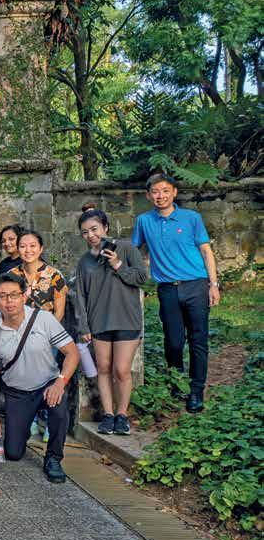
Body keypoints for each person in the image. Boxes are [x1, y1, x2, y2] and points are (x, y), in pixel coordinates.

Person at [132, 173, 220, 413]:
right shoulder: (144, 221)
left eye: (165, 190)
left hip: (196, 285)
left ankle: (196, 391)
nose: (160, 196)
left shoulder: (191, 218)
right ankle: (177, 382)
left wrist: (213, 284)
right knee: (173, 342)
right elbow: (134, 251)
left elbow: (206, 251)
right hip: (167, 289)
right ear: (148, 196)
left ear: (174, 193)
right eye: (155, 192)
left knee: (198, 340)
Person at [0, 275, 80, 483]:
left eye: (14, 295)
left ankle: (53, 458)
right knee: (13, 453)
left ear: (24, 296)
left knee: (59, 405)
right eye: (3, 296)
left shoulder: (43, 319)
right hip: (17, 393)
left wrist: (60, 381)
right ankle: (22, 427)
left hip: (47, 386)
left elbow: (72, 352)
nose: (9, 301)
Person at [76, 209, 147, 434]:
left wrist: (117, 264)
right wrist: (83, 325)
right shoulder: (84, 262)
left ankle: (122, 415)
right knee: (103, 369)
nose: (90, 235)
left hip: (127, 319)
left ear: (105, 227)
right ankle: (108, 414)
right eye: (85, 232)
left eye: (94, 229)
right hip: (99, 321)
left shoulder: (126, 248)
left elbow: (141, 278)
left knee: (122, 370)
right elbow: (80, 295)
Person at [8, 230, 67, 322]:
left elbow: (59, 313)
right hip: (18, 328)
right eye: (23, 246)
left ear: (41, 249)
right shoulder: (10, 276)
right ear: (18, 250)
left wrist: (48, 330)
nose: (28, 250)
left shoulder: (55, 276)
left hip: (47, 328)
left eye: (32, 246)